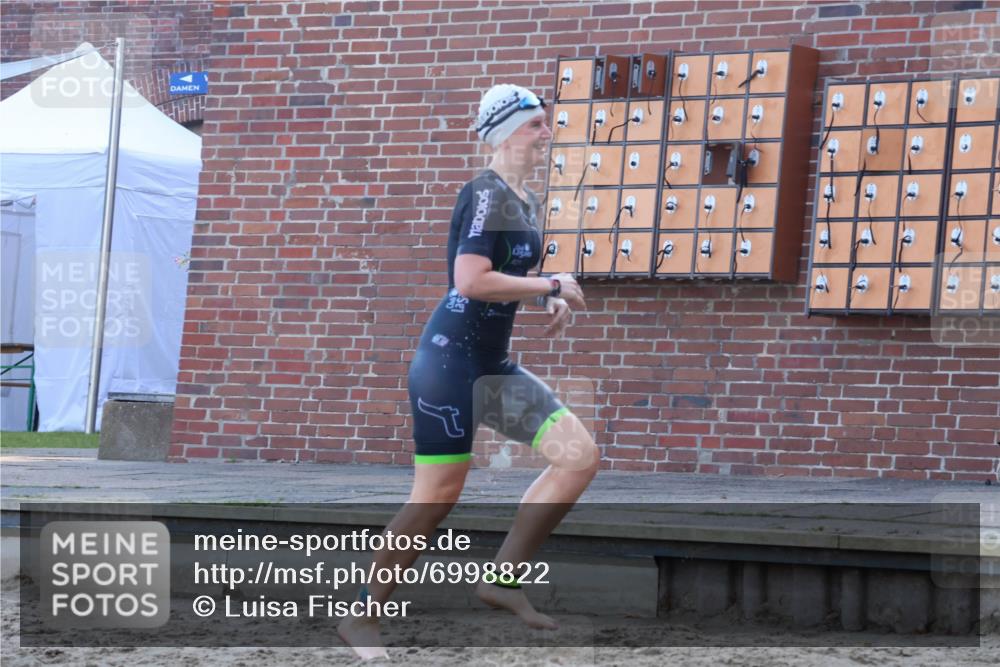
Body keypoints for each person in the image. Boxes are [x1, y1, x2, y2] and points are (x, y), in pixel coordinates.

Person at [338, 83, 600, 660]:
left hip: (490, 365)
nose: (547, 133)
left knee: (578, 456)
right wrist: (552, 284)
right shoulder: (486, 194)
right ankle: (362, 616)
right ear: (506, 134)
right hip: (449, 367)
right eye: (537, 125)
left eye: (546, 124)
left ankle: (500, 581)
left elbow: (503, 273)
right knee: (436, 497)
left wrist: (541, 298)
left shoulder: (520, 198)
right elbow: (470, 281)